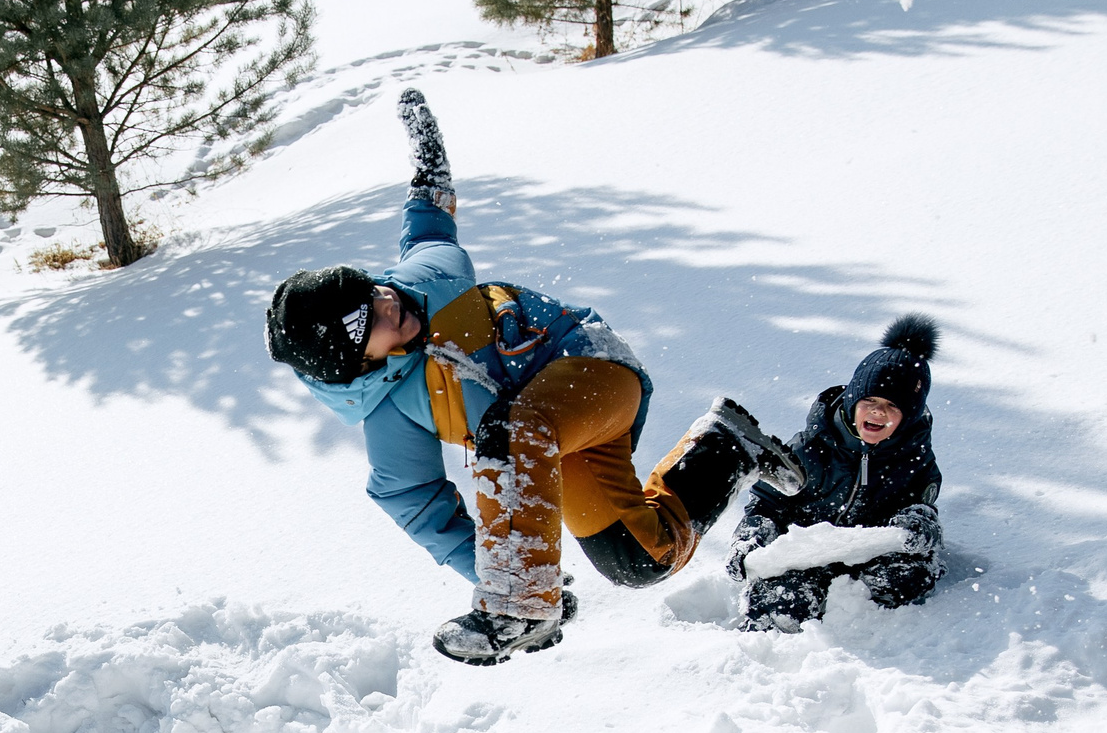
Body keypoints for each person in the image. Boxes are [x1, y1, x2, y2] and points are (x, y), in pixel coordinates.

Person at [265, 87, 809, 666]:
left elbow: (426, 225)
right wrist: (493, 566)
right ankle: (725, 445)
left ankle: (522, 604)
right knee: (637, 560)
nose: (386, 300)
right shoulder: (388, 413)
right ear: (354, 362)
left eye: (368, 288)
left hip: (589, 371)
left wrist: (429, 158)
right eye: (364, 319)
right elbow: (417, 500)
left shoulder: (424, 278)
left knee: (510, 426)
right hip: (542, 445)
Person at [727, 316, 945, 631]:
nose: (878, 411)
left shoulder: (913, 457)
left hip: (870, 557)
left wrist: (917, 523)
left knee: (910, 575)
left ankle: (862, 626)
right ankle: (775, 643)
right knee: (778, 600)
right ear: (852, 400)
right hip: (806, 555)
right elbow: (766, 503)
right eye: (869, 400)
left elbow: (923, 506)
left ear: (908, 418)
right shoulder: (809, 450)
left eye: (892, 407)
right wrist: (752, 539)